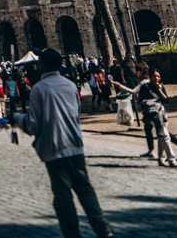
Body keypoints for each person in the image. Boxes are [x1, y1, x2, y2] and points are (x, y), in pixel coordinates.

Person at [13, 49, 113, 238]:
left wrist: (18, 118)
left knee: (63, 199)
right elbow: (75, 115)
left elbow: (33, 125)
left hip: (54, 149)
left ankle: (72, 234)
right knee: (86, 191)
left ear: (41, 65)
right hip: (75, 146)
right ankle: (103, 230)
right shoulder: (69, 85)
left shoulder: (39, 89)